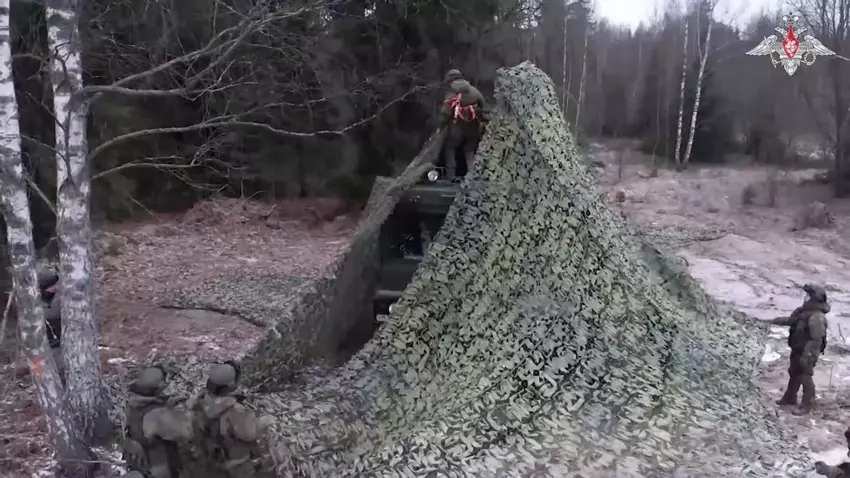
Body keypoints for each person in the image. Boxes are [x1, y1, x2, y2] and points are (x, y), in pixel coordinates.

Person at [769, 283, 829, 415]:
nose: (805, 298)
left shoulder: (817, 317)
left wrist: (808, 355)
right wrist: (772, 320)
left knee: (805, 376)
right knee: (794, 372)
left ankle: (807, 404)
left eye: (808, 296)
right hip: (798, 348)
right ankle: (790, 397)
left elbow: (816, 339)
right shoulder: (803, 312)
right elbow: (791, 321)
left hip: (808, 351)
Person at [439, 69, 487, 181]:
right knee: (470, 151)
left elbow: (445, 112)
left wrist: (441, 125)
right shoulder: (474, 90)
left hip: (456, 128)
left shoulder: (451, 93)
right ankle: (472, 177)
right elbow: (483, 105)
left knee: (450, 147)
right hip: (473, 127)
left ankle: (451, 176)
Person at [37, 267, 61, 348]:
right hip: (50, 343)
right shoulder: (39, 300)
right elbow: (52, 314)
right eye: (53, 285)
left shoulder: (55, 296)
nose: (57, 287)